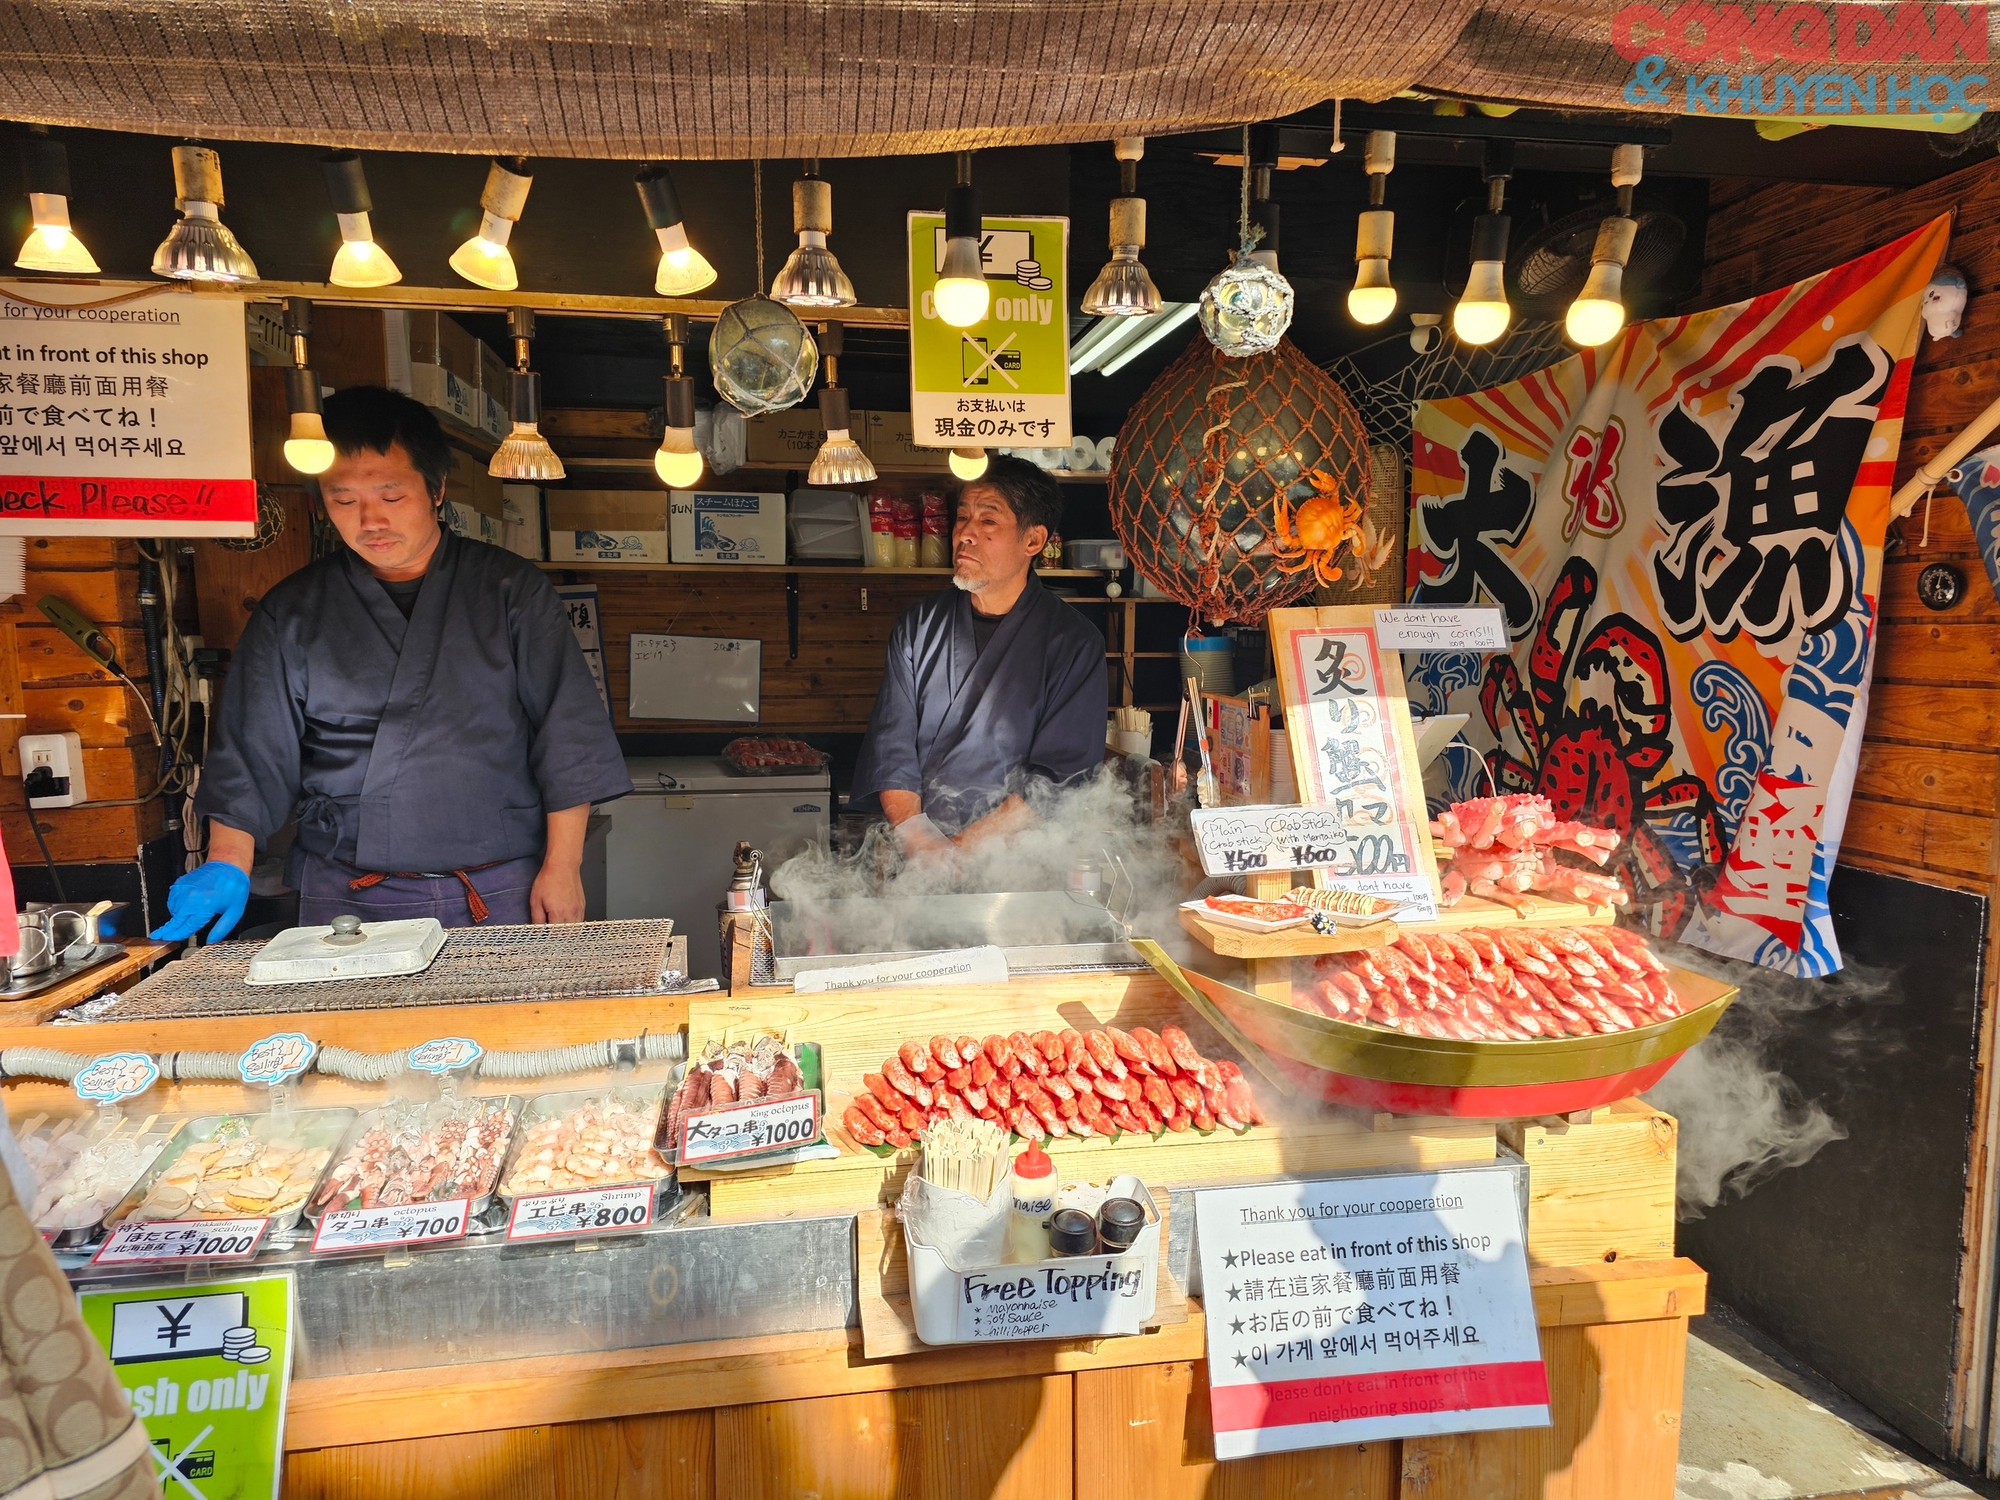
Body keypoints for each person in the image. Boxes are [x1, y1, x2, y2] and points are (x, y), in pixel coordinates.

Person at [153, 386, 630, 941]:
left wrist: (563, 866)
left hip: (501, 885)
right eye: (344, 500)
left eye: (391, 495)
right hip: (346, 895)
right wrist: (227, 862)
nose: (370, 520)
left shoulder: (509, 590)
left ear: (437, 489)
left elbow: (567, 735)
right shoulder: (293, 612)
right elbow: (252, 752)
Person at [850, 456, 1107, 854]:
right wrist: (920, 840)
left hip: (1019, 861)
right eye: (962, 517)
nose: (965, 534)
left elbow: (1059, 775)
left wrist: (961, 851)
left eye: (988, 521)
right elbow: (892, 745)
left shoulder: (1072, 641)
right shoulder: (919, 626)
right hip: (920, 852)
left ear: (1033, 541)